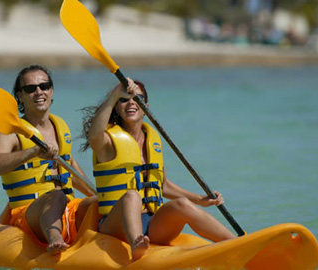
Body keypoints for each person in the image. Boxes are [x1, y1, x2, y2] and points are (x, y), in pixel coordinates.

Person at [80, 79, 236, 261]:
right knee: (132, 196)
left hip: (152, 224)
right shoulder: (107, 142)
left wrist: (199, 199)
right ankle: (136, 247)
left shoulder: (152, 140)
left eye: (137, 98)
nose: (131, 102)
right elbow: (94, 136)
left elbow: (162, 185)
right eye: (124, 99)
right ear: (116, 107)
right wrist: (114, 94)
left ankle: (236, 242)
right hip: (116, 225)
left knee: (183, 204)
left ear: (145, 106)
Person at [0, 64, 96, 254]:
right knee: (55, 196)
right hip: (29, 213)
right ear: (20, 96)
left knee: (100, 203)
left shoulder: (60, 125)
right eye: (30, 88)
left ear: (51, 91)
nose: (39, 92)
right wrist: (32, 152)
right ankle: (56, 241)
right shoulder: (11, 132)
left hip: (68, 207)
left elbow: (69, 167)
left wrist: (97, 196)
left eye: (44, 86)